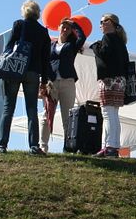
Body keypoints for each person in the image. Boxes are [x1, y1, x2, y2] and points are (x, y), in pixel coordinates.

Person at [0, 0, 51, 155]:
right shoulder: (43, 32)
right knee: (32, 109)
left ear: (24, 11)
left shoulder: (19, 25)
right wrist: (45, 81)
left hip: (15, 69)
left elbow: (8, 48)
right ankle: (34, 145)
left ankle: (2, 145)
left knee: (8, 108)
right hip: (33, 72)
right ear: (38, 13)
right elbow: (45, 58)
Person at [40, 18, 86, 153]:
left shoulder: (73, 45)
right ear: (58, 27)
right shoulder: (50, 45)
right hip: (52, 83)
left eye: (68, 28)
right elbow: (44, 62)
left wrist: (74, 24)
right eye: (63, 27)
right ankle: (43, 146)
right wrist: (43, 82)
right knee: (47, 114)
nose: (65, 30)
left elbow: (82, 37)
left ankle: (68, 147)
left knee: (69, 117)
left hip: (68, 82)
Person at [90, 13, 129, 158]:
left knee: (107, 113)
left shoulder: (107, 38)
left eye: (103, 21)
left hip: (109, 80)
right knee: (113, 114)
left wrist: (95, 46)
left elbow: (103, 54)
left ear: (111, 23)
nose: (101, 24)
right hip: (120, 81)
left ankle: (110, 147)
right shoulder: (120, 41)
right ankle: (110, 146)